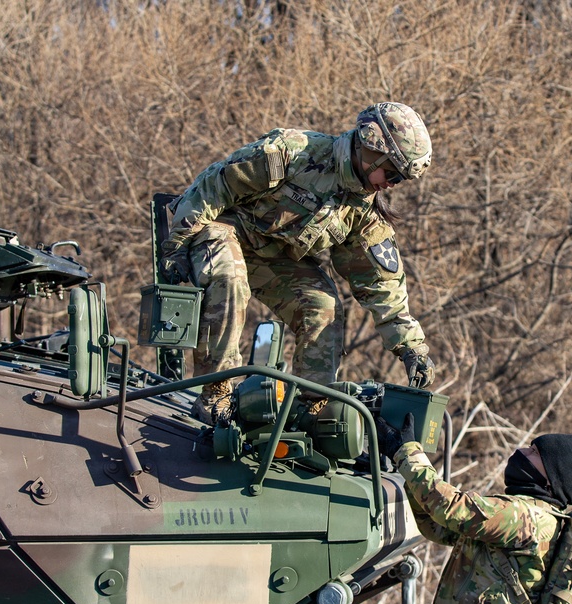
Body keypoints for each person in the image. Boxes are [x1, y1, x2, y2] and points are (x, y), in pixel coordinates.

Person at [159, 102, 436, 423]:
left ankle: (310, 409)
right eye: (392, 173)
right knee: (229, 277)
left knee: (323, 307)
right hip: (223, 232)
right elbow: (214, 187)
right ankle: (215, 394)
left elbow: (381, 282)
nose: (391, 184)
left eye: (399, 180)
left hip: (271, 260)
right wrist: (177, 245)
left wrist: (411, 347)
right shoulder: (293, 153)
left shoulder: (362, 210)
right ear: (372, 149)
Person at [378, 415, 572, 604]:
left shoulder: (527, 517)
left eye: (533, 452)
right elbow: (440, 527)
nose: (521, 451)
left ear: (552, 477)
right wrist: (407, 471)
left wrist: (406, 452)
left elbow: (452, 509)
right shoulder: (532, 518)